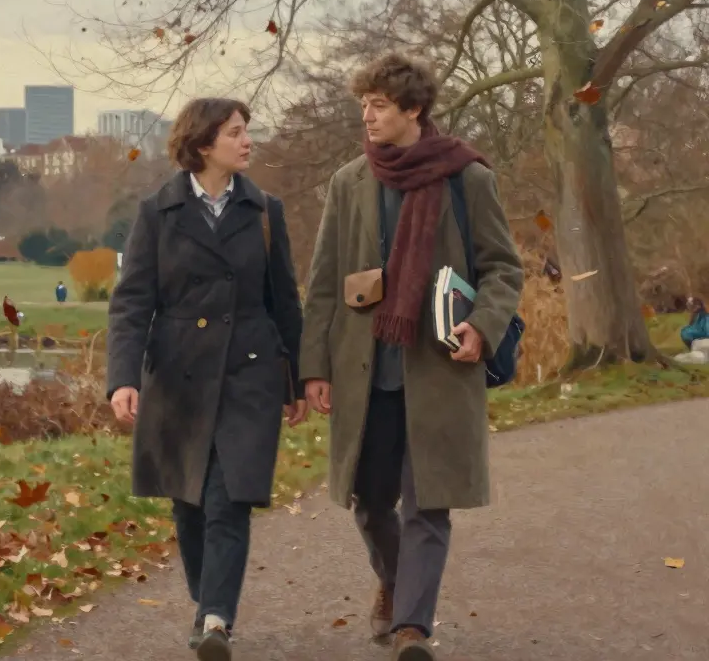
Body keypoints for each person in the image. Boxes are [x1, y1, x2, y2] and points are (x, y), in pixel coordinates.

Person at [298, 52, 523, 661]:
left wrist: (483, 324)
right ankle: (398, 587)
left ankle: (412, 627)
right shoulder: (350, 181)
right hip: (364, 372)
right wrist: (314, 367)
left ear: (413, 110)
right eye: (362, 106)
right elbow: (323, 283)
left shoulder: (466, 179)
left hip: (439, 369)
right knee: (370, 502)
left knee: (428, 504)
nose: (366, 117)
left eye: (377, 106)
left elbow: (503, 267)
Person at [107, 97, 306, 660]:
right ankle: (208, 603)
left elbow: (284, 302)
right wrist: (124, 379)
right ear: (202, 144)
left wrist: (299, 379)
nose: (248, 142)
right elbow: (131, 304)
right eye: (236, 133)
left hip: (250, 376)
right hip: (177, 378)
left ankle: (216, 620)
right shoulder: (157, 212)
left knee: (229, 498)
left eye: (247, 132)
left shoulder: (265, 211)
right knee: (188, 505)